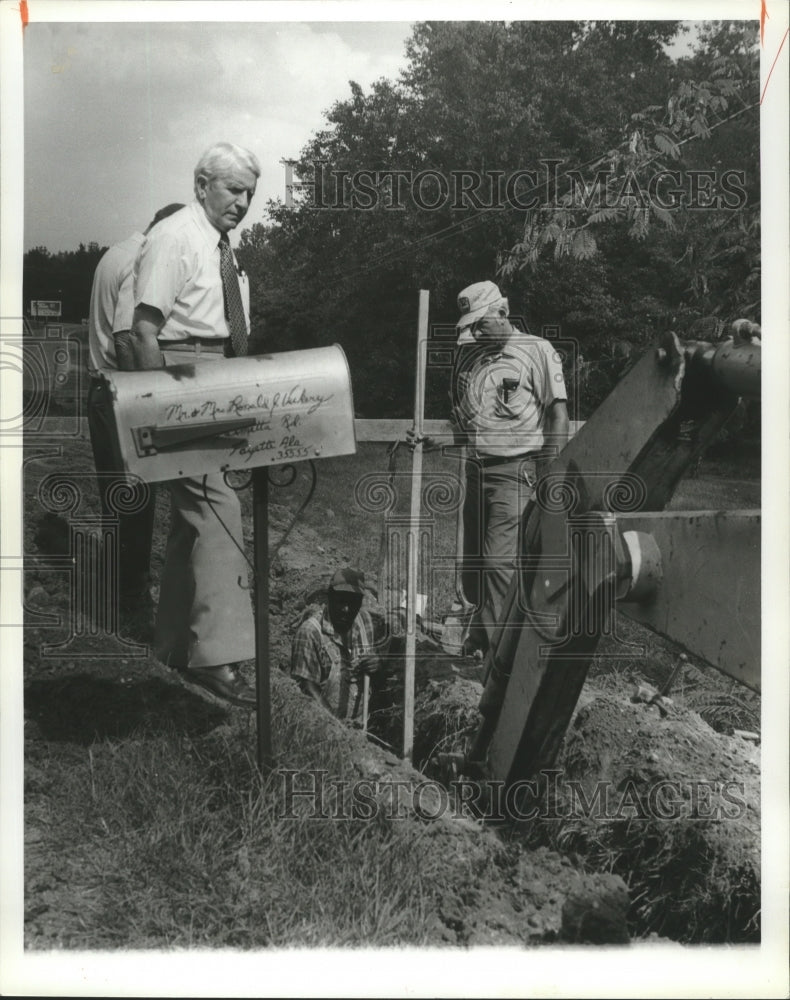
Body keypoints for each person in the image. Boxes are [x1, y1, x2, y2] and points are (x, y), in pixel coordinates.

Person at [124, 142, 261, 707]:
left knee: (192, 520)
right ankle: (218, 660)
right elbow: (143, 330)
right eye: (234, 190)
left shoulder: (220, 244)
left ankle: (175, 647)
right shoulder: (177, 236)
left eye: (250, 193)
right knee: (218, 513)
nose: (243, 202)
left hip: (217, 372)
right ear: (202, 183)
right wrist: (159, 406)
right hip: (185, 375)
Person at [412, 280, 569, 653]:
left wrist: (551, 475)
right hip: (478, 472)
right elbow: (470, 425)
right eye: (473, 327)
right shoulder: (478, 362)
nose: (477, 333)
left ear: (503, 311)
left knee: (500, 563)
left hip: (516, 473)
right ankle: (481, 637)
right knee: (475, 568)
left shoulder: (538, 351)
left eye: (481, 324)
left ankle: (501, 661)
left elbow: (558, 416)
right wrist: (438, 439)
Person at [86, 202, 184, 632]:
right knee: (138, 502)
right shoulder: (143, 261)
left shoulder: (117, 252)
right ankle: (132, 608)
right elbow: (128, 337)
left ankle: (113, 595)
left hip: (100, 391)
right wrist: (150, 402)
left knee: (116, 502)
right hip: (121, 394)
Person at [289, 568, 382, 720]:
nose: (346, 609)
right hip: (322, 728)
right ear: (330, 597)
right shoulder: (310, 633)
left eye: (353, 603)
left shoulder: (365, 621)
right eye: (341, 601)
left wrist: (377, 665)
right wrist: (337, 729)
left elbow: (376, 676)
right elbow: (306, 688)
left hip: (360, 726)